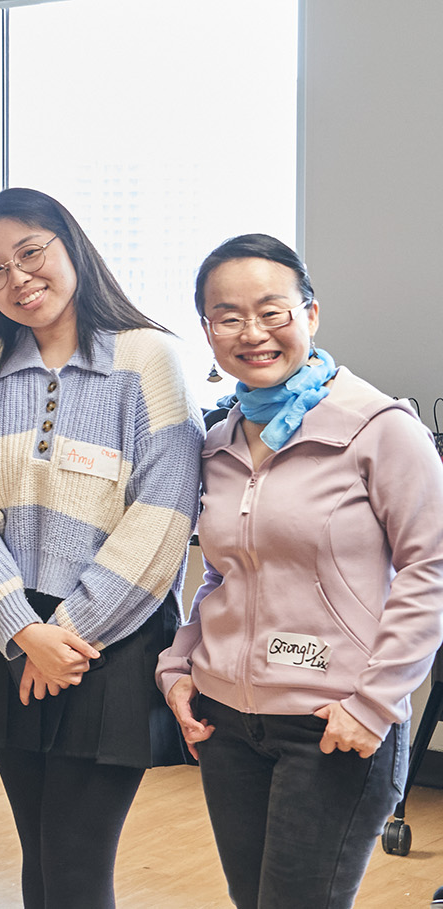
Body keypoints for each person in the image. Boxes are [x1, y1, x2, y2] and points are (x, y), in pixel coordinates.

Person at [0, 187, 203, 909]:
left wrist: (67, 634)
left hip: (109, 642)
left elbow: (162, 517)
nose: (16, 278)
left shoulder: (149, 360)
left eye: (30, 253)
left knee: (77, 866)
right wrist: (24, 629)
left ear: (70, 245)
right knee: (40, 863)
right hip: (9, 631)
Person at [157, 234, 443, 909]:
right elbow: (222, 574)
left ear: (310, 315)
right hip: (228, 721)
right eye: (227, 316)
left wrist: (373, 705)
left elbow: (430, 569)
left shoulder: (379, 427)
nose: (251, 332)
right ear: (207, 330)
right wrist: (180, 664)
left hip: (333, 723)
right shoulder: (221, 441)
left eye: (272, 311)